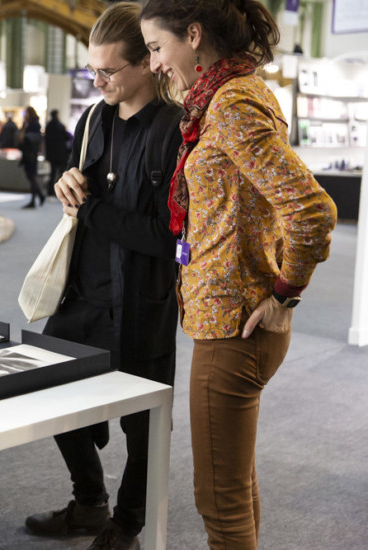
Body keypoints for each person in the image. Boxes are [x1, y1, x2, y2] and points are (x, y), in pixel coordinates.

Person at [139, 2, 338, 549]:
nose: (154, 64)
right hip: (229, 317)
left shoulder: (232, 104)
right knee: (236, 483)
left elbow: (312, 210)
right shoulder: (229, 97)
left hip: (236, 325)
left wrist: (286, 293)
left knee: (219, 502)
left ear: (194, 35)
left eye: (158, 47)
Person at [23, 4, 183, 550]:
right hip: (82, 292)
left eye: (109, 71)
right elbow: (79, 188)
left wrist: (90, 209)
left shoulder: (173, 131)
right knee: (49, 386)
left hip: (142, 300)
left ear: (147, 64)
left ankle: (129, 524)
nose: (98, 81)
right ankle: (90, 501)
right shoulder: (93, 118)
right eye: (92, 70)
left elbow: (168, 238)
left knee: (142, 424)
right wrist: (70, 185)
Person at [18, 106, 44, 208]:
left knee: (32, 176)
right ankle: (39, 196)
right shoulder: (28, 123)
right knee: (30, 176)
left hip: (31, 154)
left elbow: (35, 139)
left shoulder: (34, 124)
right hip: (27, 153)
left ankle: (35, 198)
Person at [44, 109, 71, 196]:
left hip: (52, 154)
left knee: (52, 173)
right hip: (60, 154)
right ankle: (58, 190)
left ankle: (50, 191)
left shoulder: (49, 126)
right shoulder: (60, 125)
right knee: (61, 173)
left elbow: (47, 141)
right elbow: (66, 137)